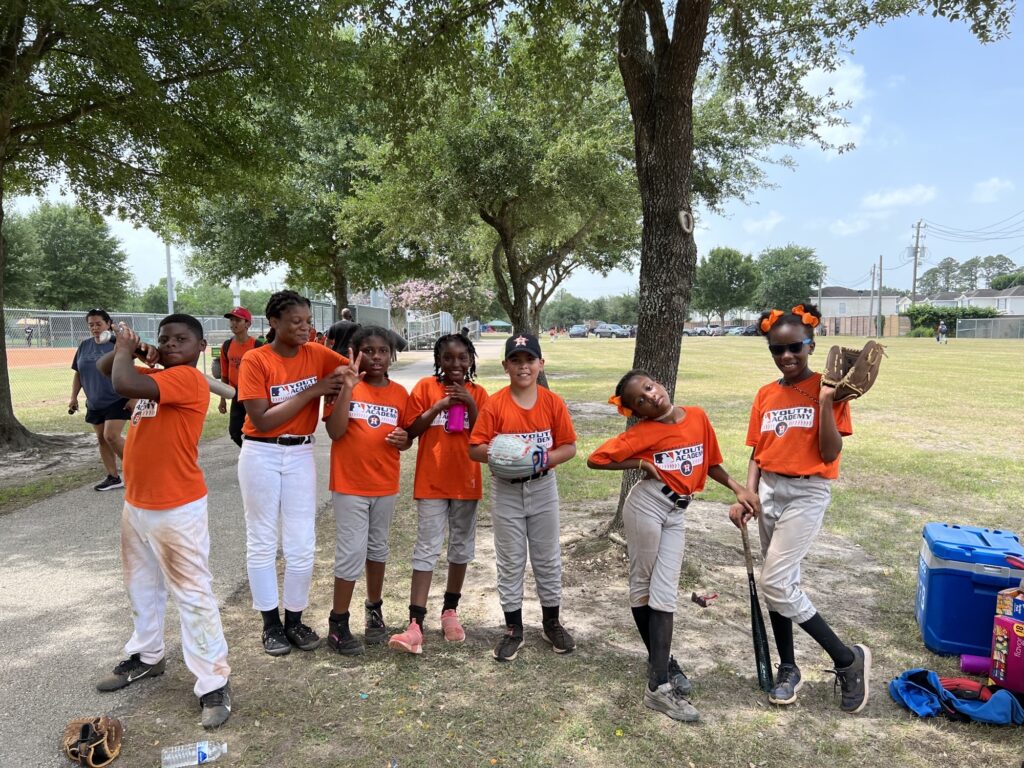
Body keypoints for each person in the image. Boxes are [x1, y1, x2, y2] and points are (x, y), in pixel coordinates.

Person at [588, 369, 759, 722]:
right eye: (640, 399)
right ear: (638, 411)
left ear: (659, 384)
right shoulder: (643, 432)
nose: (651, 396)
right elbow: (596, 459)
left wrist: (738, 488)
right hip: (646, 506)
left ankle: (660, 672)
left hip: (677, 511)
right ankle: (661, 681)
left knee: (664, 591)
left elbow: (710, 462)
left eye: (650, 387)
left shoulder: (696, 415)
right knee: (645, 586)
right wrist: (641, 463)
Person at [729, 304, 870, 714]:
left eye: (795, 348)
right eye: (778, 350)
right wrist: (748, 493)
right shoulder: (766, 394)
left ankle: (846, 658)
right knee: (781, 585)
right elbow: (759, 449)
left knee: (775, 582)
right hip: (769, 489)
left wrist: (826, 402)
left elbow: (829, 452)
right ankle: (788, 668)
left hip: (808, 491)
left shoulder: (831, 390)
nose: (787, 356)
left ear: (810, 344)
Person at [93, 315, 232, 729]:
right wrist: (131, 350)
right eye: (164, 338)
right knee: (141, 587)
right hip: (137, 502)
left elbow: (122, 384)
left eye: (182, 339)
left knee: (192, 594)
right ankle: (147, 656)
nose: (171, 344)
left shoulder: (188, 379)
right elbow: (106, 371)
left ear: (201, 346)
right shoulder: (158, 374)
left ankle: (213, 682)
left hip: (176, 507)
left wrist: (125, 352)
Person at [236, 290, 348, 656]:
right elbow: (262, 419)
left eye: (308, 321)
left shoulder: (316, 353)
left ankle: (294, 620)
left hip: (300, 453)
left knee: (302, 543)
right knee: (263, 540)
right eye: (295, 322)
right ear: (274, 323)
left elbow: (349, 368)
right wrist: (313, 391)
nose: (304, 328)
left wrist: (347, 376)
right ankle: (270, 625)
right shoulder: (256, 360)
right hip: (261, 453)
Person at [468, 334, 577, 662]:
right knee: (512, 559)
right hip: (507, 490)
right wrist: (499, 453)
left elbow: (569, 446)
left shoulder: (551, 402)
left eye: (530, 360)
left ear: (541, 364)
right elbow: (475, 448)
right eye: (516, 360)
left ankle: (551, 622)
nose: (523, 366)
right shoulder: (496, 403)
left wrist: (542, 459)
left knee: (547, 557)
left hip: (543, 486)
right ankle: (513, 628)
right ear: (506, 366)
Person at [389, 333, 489, 655]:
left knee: (460, 547)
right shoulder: (424, 388)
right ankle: (415, 622)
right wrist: (440, 406)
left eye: (462, 358)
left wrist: (469, 403)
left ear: (471, 360)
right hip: (431, 482)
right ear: (439, 360)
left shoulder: (480, 393)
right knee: (427, 547)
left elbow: (483, 436)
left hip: (466, 482)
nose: (456, 364)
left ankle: (450, 611)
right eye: (448, 358)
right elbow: (412, 430)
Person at [324, 326, 411, 655]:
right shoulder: (342, 385)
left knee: (378, 550)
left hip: (384, 484)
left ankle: (374, 610)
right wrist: (348, 387)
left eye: (383, 351)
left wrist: (406, 439)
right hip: (349, 485)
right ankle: (338, 623)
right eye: (369, 351)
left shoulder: (400, 393)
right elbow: (335, 431)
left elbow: (405, 437)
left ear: (391, 355)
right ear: (355, 353)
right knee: (350, 553)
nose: (376, 357)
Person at [69, 309, 132, 491]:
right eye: (91, 324)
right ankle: (113, 477)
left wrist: (133, 397)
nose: (95, 328)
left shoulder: (117, 344)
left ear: (108, 324)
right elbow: (79, 373)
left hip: (117, 398)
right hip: (95, 401)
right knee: (102, 439)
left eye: (98, 324)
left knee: (111, 436)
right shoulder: (84, 346)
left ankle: (138, 469)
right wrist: (74, 397)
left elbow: (131, 371)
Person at [218, 306, 262, 447]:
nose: (233, 323)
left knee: (258, 429)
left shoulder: (257, 346)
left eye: (238, 320)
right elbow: (224, 374)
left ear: (248, 324)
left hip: (255, 394)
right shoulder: (226, 346)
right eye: (231, 320)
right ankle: (249, 454)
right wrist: (222, 399)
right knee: (235, 432)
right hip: (236, 394)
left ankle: (257, 455)